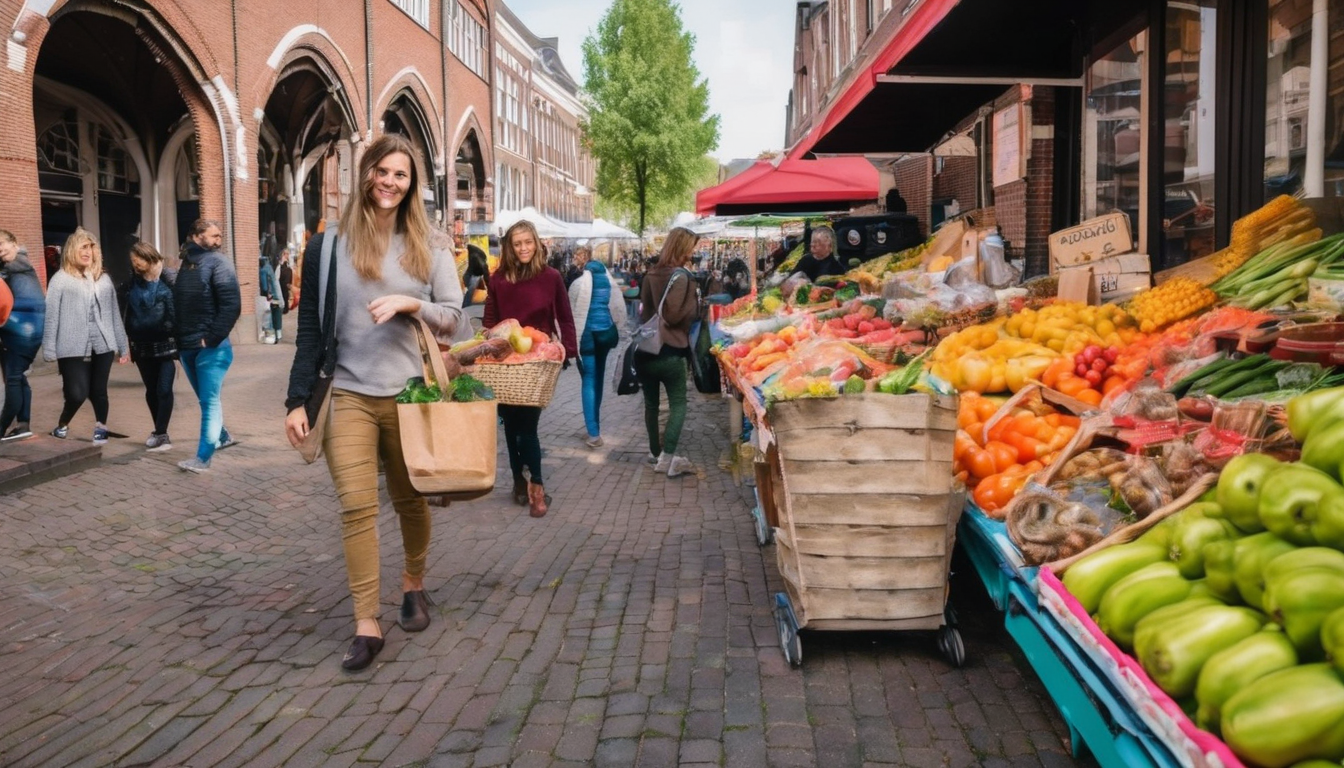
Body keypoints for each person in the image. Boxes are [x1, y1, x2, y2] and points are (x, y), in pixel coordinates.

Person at [284, 133, 464, 671]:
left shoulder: (429, 244)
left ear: (413, 185)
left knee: (410, 500)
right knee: (357, 506)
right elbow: (310, 331)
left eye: (401, 175)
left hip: (412, 396)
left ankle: (413, 583)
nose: (390, 181)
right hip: (348, 393)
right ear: (366, 174)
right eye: (382, 171)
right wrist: (298, 401)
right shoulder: (328, 244)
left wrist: (416, 304)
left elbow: (456, 316)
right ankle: (367, 621)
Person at [483, 220, 578, 518]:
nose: (523, 248)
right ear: (510, 247)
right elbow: (489, 321)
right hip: (505, 363)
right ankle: (517, 482)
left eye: (528, 242)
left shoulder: (551, 277)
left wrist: (568, 351)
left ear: (536, 243)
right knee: (511, 427)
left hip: (537, 361)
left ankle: (535, 484)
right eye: (517, 243)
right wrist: (488, 342)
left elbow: (564, 316)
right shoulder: (498, 279)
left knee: (528, 428)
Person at [42, 228, 129, 443]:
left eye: (91, 248)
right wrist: (50, 349)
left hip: (103, 343)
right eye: (83, 247)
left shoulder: (104, 279)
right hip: (71, 345)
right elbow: (51, 317)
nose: (88, 252)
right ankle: (62, 424)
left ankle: (101, 426)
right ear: (72, 250)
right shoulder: (60, 280)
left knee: (99, 390)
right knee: (77, 393)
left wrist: (123, 345)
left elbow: (114, 314)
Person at [174, 219, 242, 473]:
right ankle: (222, 436)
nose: (219, 241)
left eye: (220, 236)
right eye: (214, 236)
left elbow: (232, 305)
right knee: (205, 401)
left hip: (211, 347)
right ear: (195, 236)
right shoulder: (186, 263)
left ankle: (203, 459)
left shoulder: (219, 262)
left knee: (210, 401)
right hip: (187, 345)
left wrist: (211, 338)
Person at [635, 227, 699, 478]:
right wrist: (694, 304)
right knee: (679, 404)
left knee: (651, 404)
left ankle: (654, 452)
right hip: (671, 350)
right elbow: (673, 315)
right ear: (683, 248)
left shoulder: (651, 273)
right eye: (692, 247)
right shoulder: (682, 276)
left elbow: (643, 311)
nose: (694, 252)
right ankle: (668, 456)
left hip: (647, 349)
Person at [120, 242, 177, 451]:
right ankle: (159, 431)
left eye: (139, 261)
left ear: (150, 258)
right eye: (133, 262)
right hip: (141, 345)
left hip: (166, 344)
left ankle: (161, 433)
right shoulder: (131, 283)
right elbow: (124, 309)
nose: (135, 265)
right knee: (151, 390)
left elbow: (180, 306)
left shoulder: (169, 278)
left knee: (164, 389)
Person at [567, 246, 626, 448]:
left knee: (588, 380)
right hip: (604, 335)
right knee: (598, 377)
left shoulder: (577, 284)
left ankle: (593, 433)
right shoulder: (608, 283)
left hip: (586, 337)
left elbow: (571, 313)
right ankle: (596, 426)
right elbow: (617, 308)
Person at [0, 230, 45, 441]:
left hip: (21, 333)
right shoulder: (19, 264)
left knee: (13, 379)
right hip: (25, 332)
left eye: (2, 243)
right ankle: (23, 424)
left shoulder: (16, 263)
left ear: (14, 243)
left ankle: (1, 427)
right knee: (20, 378)